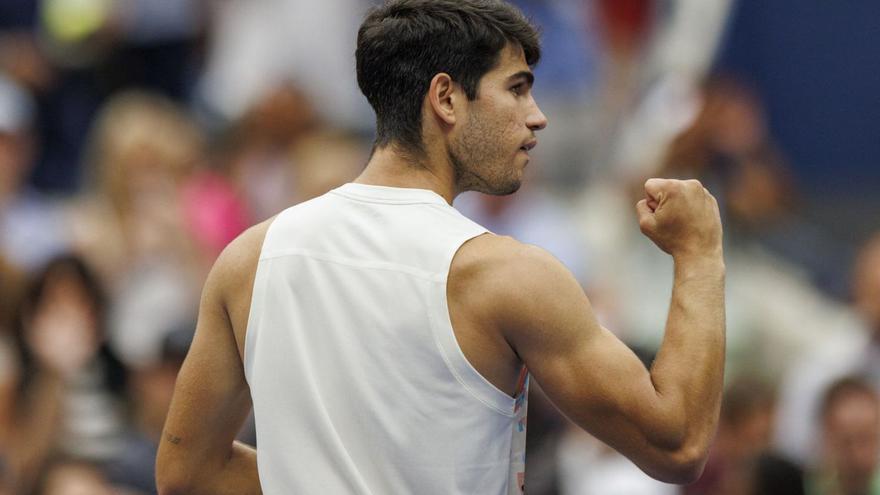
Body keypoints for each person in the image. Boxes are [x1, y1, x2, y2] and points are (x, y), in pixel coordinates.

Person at [156, 1, 726, 494]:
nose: (538, 116)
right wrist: (700, 255)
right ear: (446, 99)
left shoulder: (248, 259)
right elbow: (675, 444)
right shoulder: (507, 275)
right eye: (518, 89)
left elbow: (187, 474)